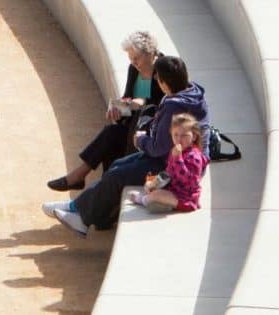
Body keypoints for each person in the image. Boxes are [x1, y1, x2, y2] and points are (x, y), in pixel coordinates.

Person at [44, 53, 204, 237]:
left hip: (169, 166)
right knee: (118, 166)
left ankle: (81, 218)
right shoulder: (193, 93)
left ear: (164, 83)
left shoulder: (173, 107)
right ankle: (77, 208)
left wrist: (141, 139)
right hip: (169, 158)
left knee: (118, 175)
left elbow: (159, 147)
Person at [47, 30, 161, 193]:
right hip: (133, 127)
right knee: (111, 133)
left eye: (137, 58)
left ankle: (88, 181)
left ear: (150, 54)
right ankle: (84, 178)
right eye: (131, 58)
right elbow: (128, 98)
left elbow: (159, 104)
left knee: (113, 137)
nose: (134, 62)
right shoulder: (134, 69)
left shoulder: (163, 69)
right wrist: (119, 109)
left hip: (149, 134)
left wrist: (139, 104)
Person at [139, 113, 207, 214]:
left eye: (184, 135)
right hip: (174, 189)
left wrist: (178, 158)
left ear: (194, 137)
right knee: (149, 185)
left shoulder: (194, 156)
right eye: (175, 135)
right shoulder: (175, 150)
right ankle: (162, 204)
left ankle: (144, 200)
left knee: (158, 195)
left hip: (186, 197)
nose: (179, 139)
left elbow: (188, 180)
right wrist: (156, 182)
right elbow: (169, 172)